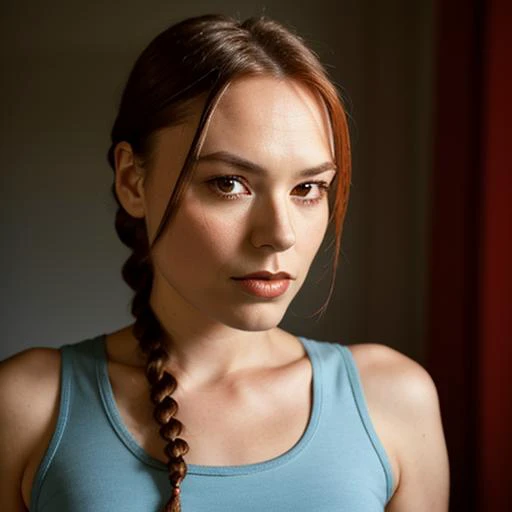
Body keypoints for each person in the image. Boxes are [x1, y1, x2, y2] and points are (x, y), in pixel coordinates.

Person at [0, 13, 449, 512]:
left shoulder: (393, 400)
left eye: (307, 188)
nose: (279, 234)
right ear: (132, 180)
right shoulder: (26, 407)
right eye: (229, 183)